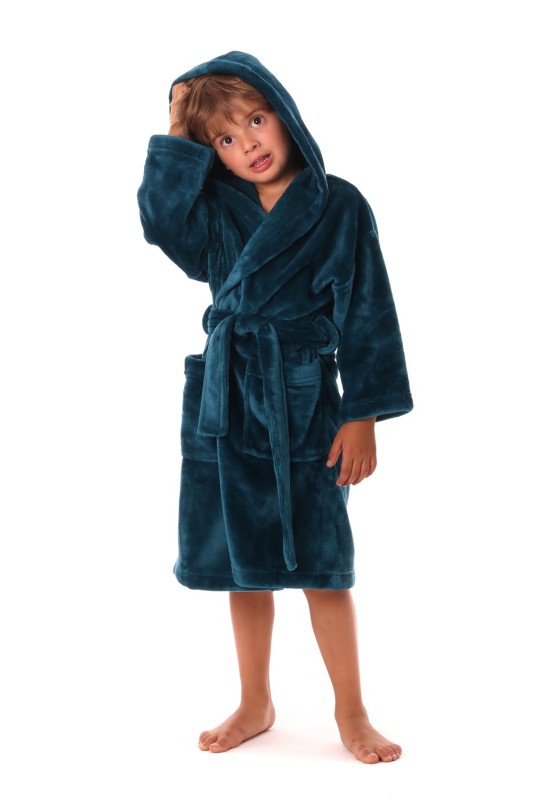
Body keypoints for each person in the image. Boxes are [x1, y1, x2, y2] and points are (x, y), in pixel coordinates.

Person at [137, 51, 413, 764]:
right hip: (227, 399)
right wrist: (177, 126)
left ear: (284, 115)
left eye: (256, 121)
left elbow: (368, 311)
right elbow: (160, 222)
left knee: (323, 563)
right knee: (243, 563)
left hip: (304, 398)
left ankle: (351, 711)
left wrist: (363, 413)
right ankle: (255, 701)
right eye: (225, 139)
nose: (248, 145)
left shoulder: (338, 204)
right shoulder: (215, 210)